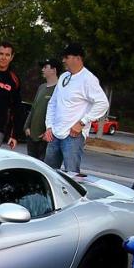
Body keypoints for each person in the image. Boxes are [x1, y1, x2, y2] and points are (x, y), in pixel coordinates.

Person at [42, 42, 108, 176]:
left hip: (73, 137)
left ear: (77, 58)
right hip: (55, 134)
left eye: (66, 57)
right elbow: (53, 103)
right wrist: (49, 126)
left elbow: (103, 103)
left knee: (71, 176)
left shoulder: (88, 79)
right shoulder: (63, 77)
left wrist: (82, 122)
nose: (63, 60)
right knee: (47, 173)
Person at [24, 59, 58, 161]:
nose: (42, 70)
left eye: (45, 67)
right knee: (30, 165)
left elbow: (58, 113)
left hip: (45, 138)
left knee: (42, 165)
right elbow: (33, 108)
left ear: (54, 70)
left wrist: (47, 132)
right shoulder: (41, 87)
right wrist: (26, 127)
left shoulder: (59, 89)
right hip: (31, 136)